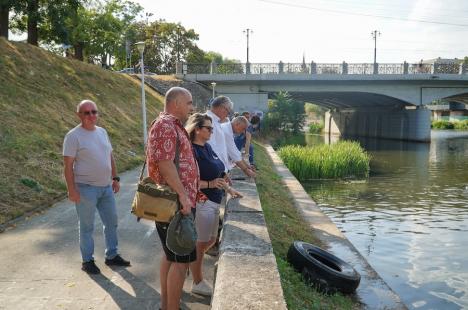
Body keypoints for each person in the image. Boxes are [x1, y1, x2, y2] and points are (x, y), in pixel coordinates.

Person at [63, 100, 130, 275]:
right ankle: (87, 260)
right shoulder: (73, 136)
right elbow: (68, 166)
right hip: (85, 188)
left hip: (106, 187)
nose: (91, 115)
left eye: (94, 112)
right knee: (86, 226)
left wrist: (115, 177)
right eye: (87, 113)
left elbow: (110, 156)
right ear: (79, 115)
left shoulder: (102, 132)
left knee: (112, 222)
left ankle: (112, 255)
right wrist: (71, 189)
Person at [146, 87, 199, 310]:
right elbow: (166, 165)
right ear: (176, 103)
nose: (192, 107)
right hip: (176, 204)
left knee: (170, 256)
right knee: (180, 261)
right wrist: (184, 197)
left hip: (178, 202)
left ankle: (166, 306)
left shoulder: (171, 125)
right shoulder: (166, 126)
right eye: (189, 103)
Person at [185, 113, 242, 296]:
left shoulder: (207, 147)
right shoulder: (192, 151)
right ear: (197, 129)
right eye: (208, 128)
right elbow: (187, 181)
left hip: (215, 201)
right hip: (202, 202)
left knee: (209, 241)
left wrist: (229, 190)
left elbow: (218, 173)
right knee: (200, 244)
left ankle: (190, 263)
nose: (211, 131)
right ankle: (197, 282)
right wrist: (209, 185)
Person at [206, 96, 256, 178]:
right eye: (228, 112)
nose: (227, 115)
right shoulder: (210, 122)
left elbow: (234, 152)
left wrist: (247, 166)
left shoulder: (216, 122)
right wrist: (246, 169)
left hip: (218, 171)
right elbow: (216, 152)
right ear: (222, 108)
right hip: (214, 173)